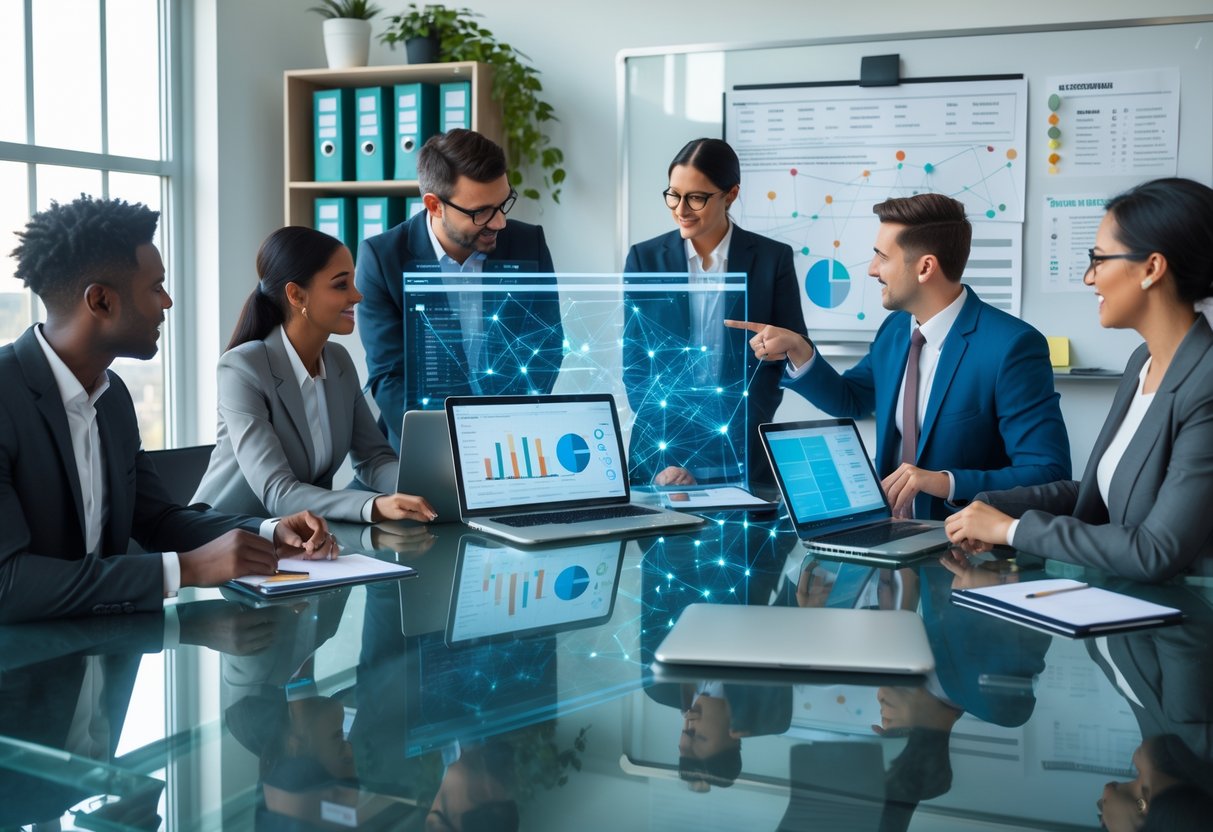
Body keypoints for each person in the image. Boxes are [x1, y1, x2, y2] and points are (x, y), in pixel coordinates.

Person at [0, 196, 336, 623]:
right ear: (101, 302)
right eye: (155, 287)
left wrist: (267, 532)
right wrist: (187, 568)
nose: (167, 303)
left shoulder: (112, 397)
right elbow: (7, 584)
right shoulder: (5, 397)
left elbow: (159, 521)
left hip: (104, 658)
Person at [727, 193, 1070, 520]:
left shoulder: (1011, 347)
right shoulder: (895, 330)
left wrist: (944, 481)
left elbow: (1049, 474)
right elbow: (853, 400)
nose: (872, 269)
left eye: (882, 257)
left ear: (925, 268)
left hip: (962, 544)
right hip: (886, 534)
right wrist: (799, 350)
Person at [945, 178, 1213, 582]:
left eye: (1099, 259)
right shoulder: (1142, 361)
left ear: (1152, 268)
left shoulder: (1205, 384)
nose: (1090, 278)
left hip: (1183, 628)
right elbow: (1101, 492)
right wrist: (991, 506)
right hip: (1119, 616)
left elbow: (1154, 551)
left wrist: (1010, 529)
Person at [192, 226, 436, 524]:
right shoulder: (242, 368)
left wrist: (434, 490)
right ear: (296, 295)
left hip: (303, 542)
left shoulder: (338, 361)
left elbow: (374, 459)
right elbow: (279, 493)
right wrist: (374, 505)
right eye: (340, 285)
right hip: (226, 539)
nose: (357, 296)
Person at [356, 128, 564, 452]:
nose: (499, 223)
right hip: (425, 447)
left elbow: (546, 345)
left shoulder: (529, 243)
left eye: (503, 203)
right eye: (481, 212)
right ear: (434, 205)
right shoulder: (382, 259)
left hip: (512, 442)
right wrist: (451, 448)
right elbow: (388, 377)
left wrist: (509, 432)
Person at [623, 137, 808, 487]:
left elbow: (788, 353)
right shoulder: (644, 260)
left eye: (696, 197)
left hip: (742, 447)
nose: (681, 209)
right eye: (673, 194)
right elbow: (635, 364)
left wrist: (744, 428)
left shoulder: (772, 259)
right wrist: (666, 453)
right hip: (663, 452)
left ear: (731, 194)